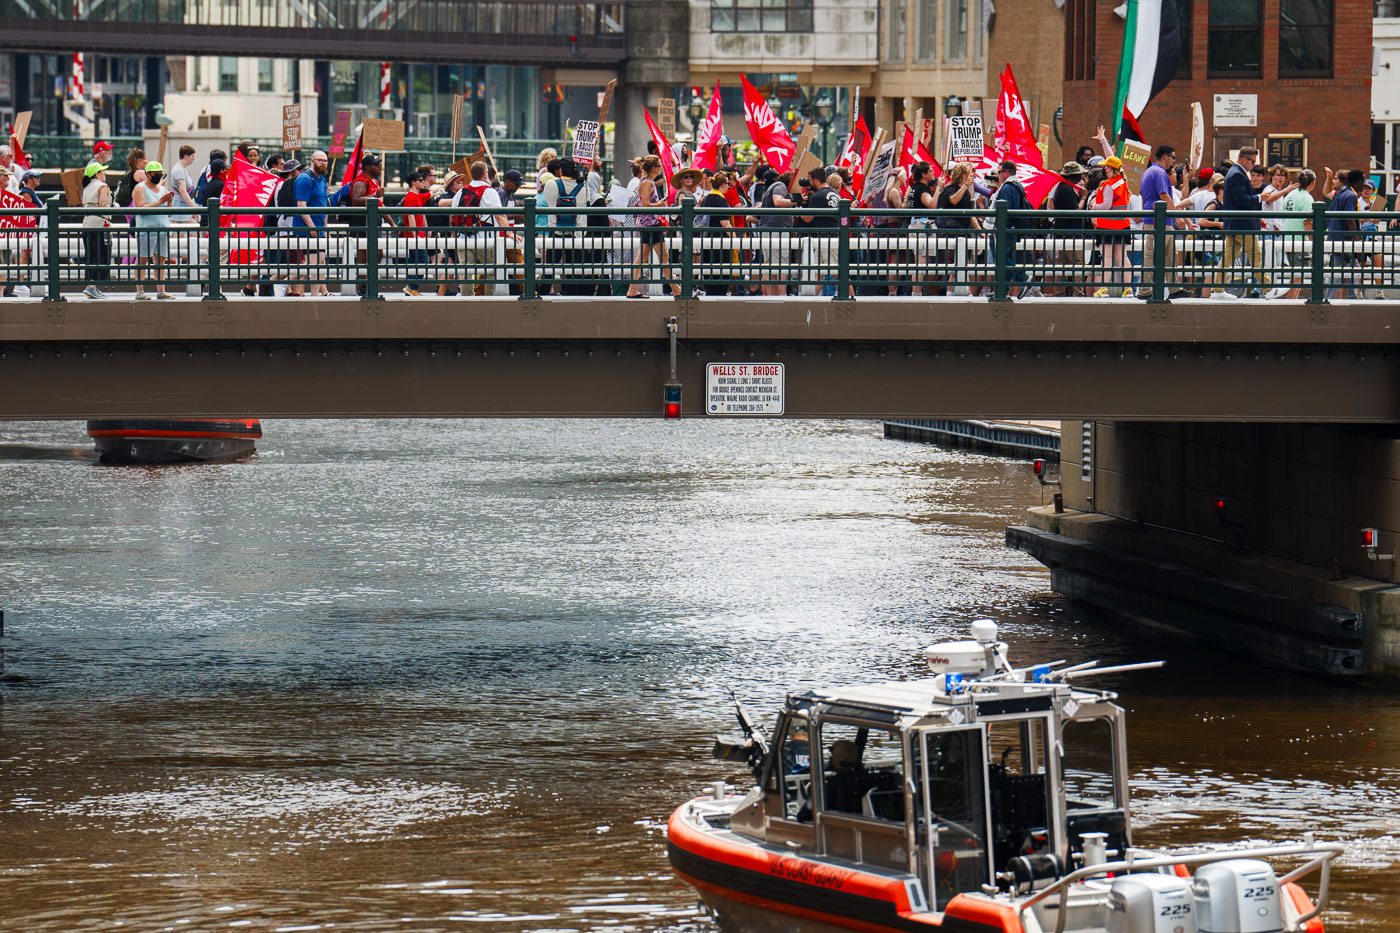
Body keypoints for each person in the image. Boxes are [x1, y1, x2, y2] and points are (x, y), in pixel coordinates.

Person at [1213, 146, 1285, 300]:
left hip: (1237, 223)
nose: (1254, 165)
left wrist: (1256, 215)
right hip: (1242, 224)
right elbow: (1241, 200)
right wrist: (1261, 197)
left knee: (1228, 258)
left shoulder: (1235, 173)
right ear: (1244, 159)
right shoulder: (1238, 174)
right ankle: (1267, 289)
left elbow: (1238, 200)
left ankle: (1217, 289)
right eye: (1252, 161)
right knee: (1255, 255)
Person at [626, 155, 680, 299]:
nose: (661, 168)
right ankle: (675, 288)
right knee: (663, 257)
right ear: (654, 168)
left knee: (642, 258)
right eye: (659, 166)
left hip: (648, 224)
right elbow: (644, 205)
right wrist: (659, 205)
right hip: (650, 224)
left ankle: (632, 289)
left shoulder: (648, 181)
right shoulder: (647, 183)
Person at [454, 160, 511, 296]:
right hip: (485, 239)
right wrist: (509, 233)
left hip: (463, 237)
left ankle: (466, 301)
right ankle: (488, 301)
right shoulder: (490, 192)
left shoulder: (461, 192)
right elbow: (500, 216)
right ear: (485, 174)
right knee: (490, 271)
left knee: (465, 272)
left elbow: (454, 215)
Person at [1134, 145, 1181, 299]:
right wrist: (1177, 216)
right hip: (1158, 221)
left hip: (1155, 219)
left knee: (1168, 255)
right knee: (1154, 255)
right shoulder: (1159, 172)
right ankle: (1145, 290)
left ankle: (1173, 288)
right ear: (1165, 157)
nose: (1174, 161)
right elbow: (1164, 196)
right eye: (1173, 157)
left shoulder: (1149, 171)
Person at [992, 160, 1037, 298]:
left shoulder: (1006, 188)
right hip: (1011, 229)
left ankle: (1021, 278)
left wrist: (997, 229)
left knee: (1000, 259)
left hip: (1003, 230)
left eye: (998, 173)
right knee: (1005, 258)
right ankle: (1002, 290)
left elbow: (1003, 211)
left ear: (1006, 173)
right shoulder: (1017, 186)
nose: (997, 176)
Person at [131, 160, 176, 299]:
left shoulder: (163, 189)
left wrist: (168, 201)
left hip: (162, 228)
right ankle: (140, 291)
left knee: (161, 260)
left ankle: (161, 291)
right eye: (155, 174)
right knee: (143, 259)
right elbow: (141, 207)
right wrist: (160, 202)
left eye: (160, 174)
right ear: (148, 174)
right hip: (146, 229)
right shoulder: (140, 188)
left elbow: (169, 212)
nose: (158, 176)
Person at [1090, 155, 1130, 297]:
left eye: (1106, 167)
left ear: (1111, 169)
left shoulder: (1108, 185)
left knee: (1106, 258)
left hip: (1107, 225)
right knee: (1122, 258)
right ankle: (1128, 289)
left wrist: (1094, 207)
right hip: (1123, 225)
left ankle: (1104, 288)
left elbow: (1106, 206)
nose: (1104, 169)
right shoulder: (1123, 182)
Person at [292, 150, 330, 297]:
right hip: (307, 230)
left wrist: (325, 229)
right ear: (313, 161)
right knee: (312, 263)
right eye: (320, 160)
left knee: (319, 261)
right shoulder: (305, 179)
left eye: (325, 161)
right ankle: (278, 283)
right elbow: (301, 205)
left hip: (318, 228)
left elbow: (323, 206)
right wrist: (311, 227)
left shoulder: (322, 180)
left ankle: (316, 295)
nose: (324, 163)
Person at [799, 166, 841, 296]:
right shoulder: (835, 193)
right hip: (832, 235)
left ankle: (850, 296)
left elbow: (807, 219)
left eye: (810, 180)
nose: (809, 183)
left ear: (815, 180)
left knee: (837, 271)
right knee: (818, 271)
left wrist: (800, 210)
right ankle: (813, 299)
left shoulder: (817, 196)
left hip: (826, 237)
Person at [1325, 168, 1366, 300]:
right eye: (1363, 181)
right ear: (1358, 181)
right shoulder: (1350, 195)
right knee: (1338, 273)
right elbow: (1350, 219)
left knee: (1353, 269)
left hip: (1335, 236)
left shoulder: (1341, 193)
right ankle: (1329, 299)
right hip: (1344, 239)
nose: (1363, 184)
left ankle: (1351, 296)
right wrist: (1356, 240)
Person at [1047, 161, 1086, 296]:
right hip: (1071, 232)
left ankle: (1058, 293)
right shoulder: (1067, 189)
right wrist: (1083, 198)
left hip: (1062, 231)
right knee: (1077, 263)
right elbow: (1076, 210)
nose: (1081, 177)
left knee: (1061, 263)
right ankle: (1078, 293)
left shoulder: (1061, 188)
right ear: (1074, 176)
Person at [1279, 169, 1317, 299]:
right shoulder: (1307, 198)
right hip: (1300, 240)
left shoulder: (1290, 195)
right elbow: (1307, 222)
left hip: (1288, 238)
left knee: (1296, 275)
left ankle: (1291, 300)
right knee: (1298, 276)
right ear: (1312, 182)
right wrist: (1313, 240)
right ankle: (1290, 304)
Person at [758, 170, 796, 296]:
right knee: (781, 265)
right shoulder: (780, 186)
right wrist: (797, 201)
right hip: (777, 230)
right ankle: (782, 296)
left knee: (770, 265)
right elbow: (778, 202)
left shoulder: (772, 187)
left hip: (769, 228)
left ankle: (770, 297)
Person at [80, 160, 113, 299]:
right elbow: (103, 204)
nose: (104, 173)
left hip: (87, 223)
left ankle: (92, 285)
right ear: (97, 174)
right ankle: (92, 286)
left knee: (90, 255)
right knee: (99, 254)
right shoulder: (102, 186)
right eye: (102, 171)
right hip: (99, 223)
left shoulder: (87, 187)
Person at [698, 172, 735, 295]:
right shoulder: (721, 200)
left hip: (707, 238)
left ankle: (710, 294)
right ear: (723, 185)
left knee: (710, 271)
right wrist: (734, 239)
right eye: (728, 184)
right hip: (720, 241)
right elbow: (725, 223)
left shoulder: (707, 198)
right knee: (721, 271)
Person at [399, 166, 434, 296]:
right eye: (420, 180)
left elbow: (420, 214)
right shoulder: (410, 197)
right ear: (413, 182)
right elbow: (411, 216)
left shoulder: (416, 196)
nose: (422, 182)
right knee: (423, 261)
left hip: (417, 234)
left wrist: (426, 228)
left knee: (415, 261)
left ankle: (412, 287)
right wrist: (415, 234)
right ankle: (411, 286)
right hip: (415, 236)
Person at [905, 161, 939, 295]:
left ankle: (916, 292)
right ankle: (916, 293)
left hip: (915, 224)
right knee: (922, 261)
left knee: (919, 260)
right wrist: (939, 190)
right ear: (924, 175)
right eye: (931, 171)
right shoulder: (922, 189)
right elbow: (931, 205)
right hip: (922, 226)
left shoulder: (914, 188)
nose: (933, 173)